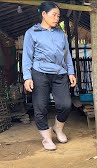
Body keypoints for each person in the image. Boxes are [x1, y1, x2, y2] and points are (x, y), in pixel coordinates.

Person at [22, 2, 76, 150]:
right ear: (44, 14)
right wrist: (27, 77)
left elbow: (67, 55)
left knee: (65, 104)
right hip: (39, 72)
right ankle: (46, 138)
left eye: (58, 15)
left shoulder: (60, 33)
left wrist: (70, 72)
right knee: (40, 106)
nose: (57, 18)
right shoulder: (31, 33)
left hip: (59, 72)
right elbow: (27, 56)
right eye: (54, 15)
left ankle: (58, 128)